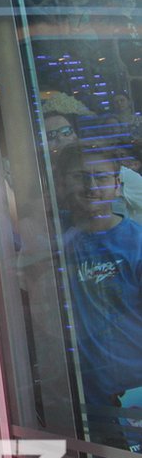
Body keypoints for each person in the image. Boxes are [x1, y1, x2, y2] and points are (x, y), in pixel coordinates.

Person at [56, 144, 142, 442]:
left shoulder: (137, 243)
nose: (92, 186)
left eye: (101, 177)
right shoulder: (56, 243)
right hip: (84, 392)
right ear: (63, 184)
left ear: (117, 185)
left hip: (135, 388)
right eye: (81, 177)